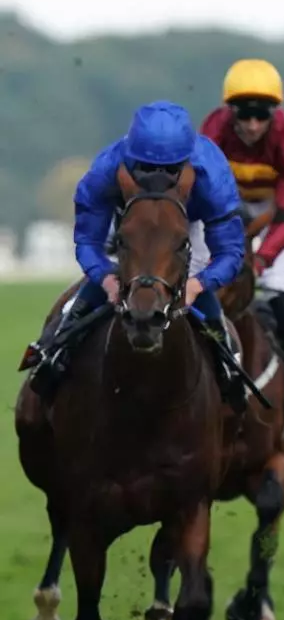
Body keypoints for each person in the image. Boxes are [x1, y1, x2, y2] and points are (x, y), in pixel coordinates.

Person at [26, 100, 247, 410]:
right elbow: (88, 241)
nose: (156, 179)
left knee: (192, 278)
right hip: (130, 217)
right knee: (117, 269)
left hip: (187, 223)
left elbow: (230, 252)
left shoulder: (211, 175)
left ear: (186, 162)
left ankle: (228, 364)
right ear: (131, 156)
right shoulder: (107, 168)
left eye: (170, 171)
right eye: (145, 168)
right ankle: (54, 349)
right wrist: (106, 280)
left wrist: (198, 285)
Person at [198, 58, 284, 427]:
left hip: (275, 209)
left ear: (274, 114)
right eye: (244, 114)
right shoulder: (213, 131)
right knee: (199, 282)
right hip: (226, 206)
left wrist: (261, 260)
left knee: (277, 289)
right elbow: (204, 194)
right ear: (229, 111)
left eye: (261, 115)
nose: (251, 124)